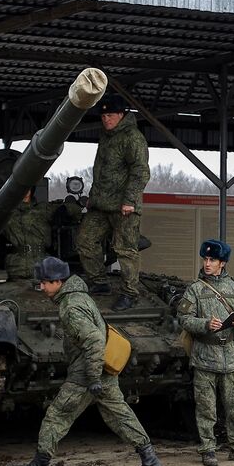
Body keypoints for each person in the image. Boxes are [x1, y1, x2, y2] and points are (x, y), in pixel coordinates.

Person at [7, 256, 165, 466]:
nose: (41, 287)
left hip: (87, 370)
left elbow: (93, 339)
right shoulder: (80, 296)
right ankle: (150, 460)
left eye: (44, 282)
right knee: (119, 413)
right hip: (100, 366)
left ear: (58, 281)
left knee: (57, 415)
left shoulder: (70, 307)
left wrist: (91, 377)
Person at [178, 239, 234, 466]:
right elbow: (184, 319)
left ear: (222, 263)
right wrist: (204, 324)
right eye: (205, 259)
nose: (207, 263)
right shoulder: (194, 290)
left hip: (231, 356)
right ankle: (208, 449)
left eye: (212, 260)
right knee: (206, 407)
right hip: (205, 355)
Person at [76, 96, 150, 310]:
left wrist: (129, 201)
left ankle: (129, 294)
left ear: (121, 115)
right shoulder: (107, 136)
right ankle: (99, 282)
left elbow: (141, 171)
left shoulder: (132, 137)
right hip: (101, 204)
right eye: (103, 116)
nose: (106, 119)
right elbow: (101, 172)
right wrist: (93, 196)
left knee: (125, 249)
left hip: (123, 206)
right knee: (84, 240)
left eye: (110, 115)